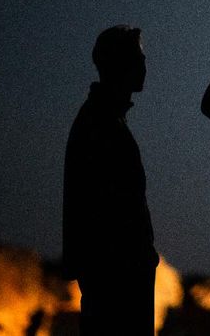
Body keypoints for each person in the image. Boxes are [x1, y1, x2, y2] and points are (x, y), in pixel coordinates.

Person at [63, 25, 159, 336]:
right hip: (117, 280)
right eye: (139, 58)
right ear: (122, 64)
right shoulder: (101, 124)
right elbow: (109, 208)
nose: (144, 66)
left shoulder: (102, 118)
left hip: (118, 275)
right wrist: (137, 260)